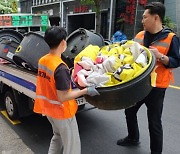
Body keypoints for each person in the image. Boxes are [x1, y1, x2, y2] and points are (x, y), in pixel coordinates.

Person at [116, 2, 180, 154]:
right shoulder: (139, 35)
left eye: (145, 17)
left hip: (157, 87)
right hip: (139, 84)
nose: (142, 20)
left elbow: (176, 61)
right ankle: (133, 137)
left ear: (155, 18)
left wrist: (161, 57)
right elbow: (130, 55)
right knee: (129, 111)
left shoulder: (171, 38)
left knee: (154, 122)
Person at [33, 26, 99, 154]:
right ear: (63, 42)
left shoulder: (43, 60)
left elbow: (50, 83)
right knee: (72, 147)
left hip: (49, 110)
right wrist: (85, 91)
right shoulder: (60, 67)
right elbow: (63, 97)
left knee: (57, 138)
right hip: (62, 112)